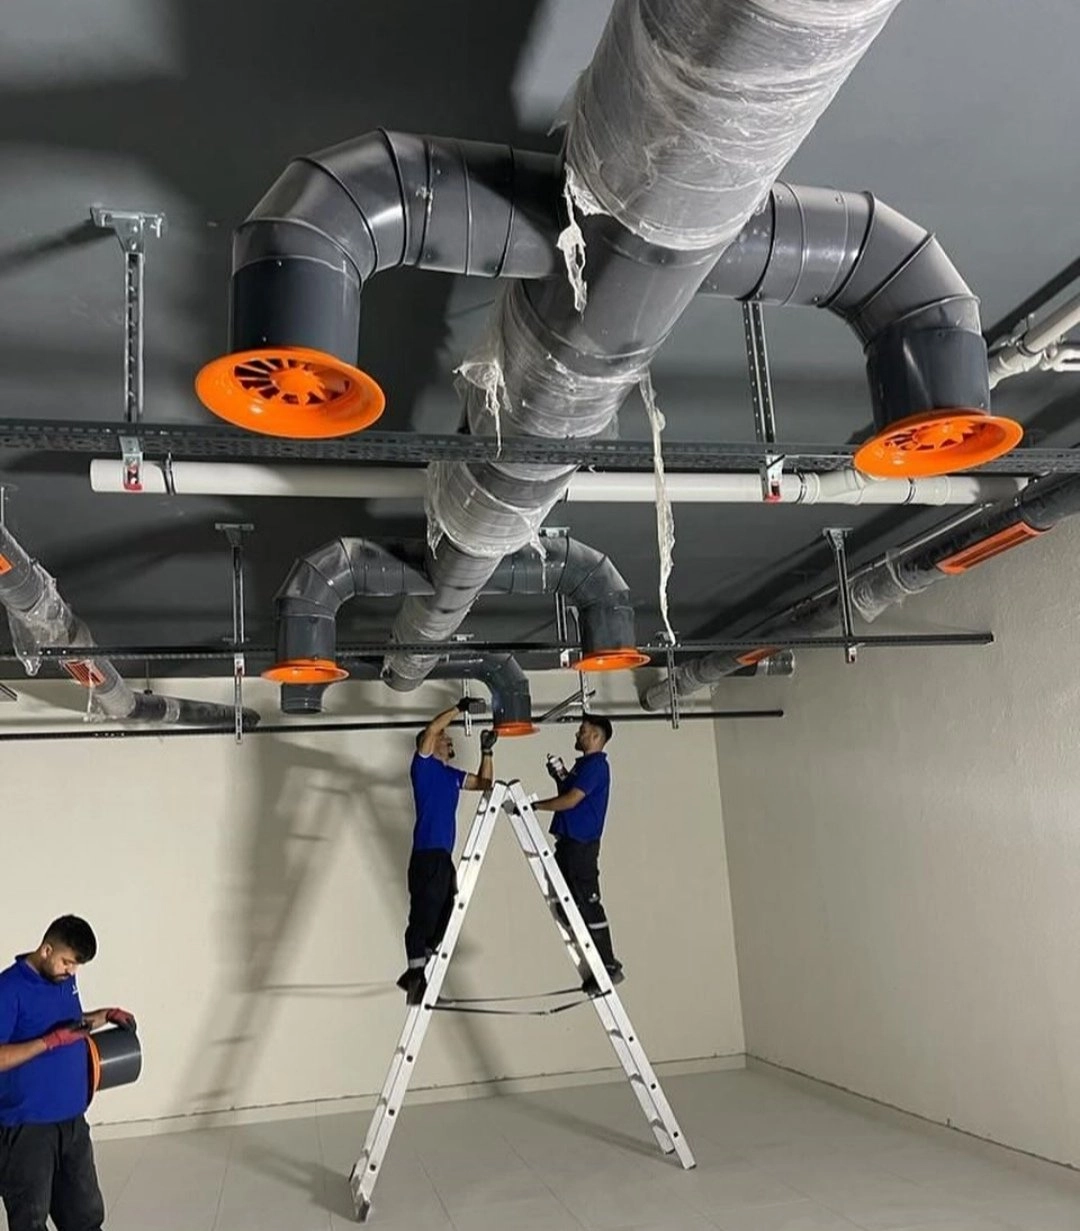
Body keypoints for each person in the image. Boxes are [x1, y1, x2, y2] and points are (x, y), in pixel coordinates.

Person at [0, 915, 136, 1231]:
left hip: (72, 1124)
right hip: (26, 1129)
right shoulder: (8, 989)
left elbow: (69, 1026)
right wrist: (48, 1043)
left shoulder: (63, 980)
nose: (72, 971)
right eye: (67, 962)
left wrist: (105, 1015)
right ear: (46, 950)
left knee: (85, 1218)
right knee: (30, 1220)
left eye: (77, 965)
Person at [397, 698, 497, 1005]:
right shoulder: (423, 766)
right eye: (445, 737)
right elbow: (431, 730)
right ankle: (415, 976)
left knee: (446, 914)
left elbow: (485, 783)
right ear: (430, 744)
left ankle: (417, 976)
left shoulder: (451, 775)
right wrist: (459, 708)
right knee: (424, 914)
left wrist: (487, 751)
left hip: (442, 857)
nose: (448, 739)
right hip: (426, 855)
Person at [533, 714, 623, 993]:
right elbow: (570, 792)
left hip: (581, 846)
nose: (577, 734)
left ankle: (607, 965)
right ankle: (596, 965)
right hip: (569, 843)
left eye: (582, 731)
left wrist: (535, 806)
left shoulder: (596, 766)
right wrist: (559, 775)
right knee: (565, 907)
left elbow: (571, 801)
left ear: (596, 736)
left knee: (586, 903)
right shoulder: (584, 767)